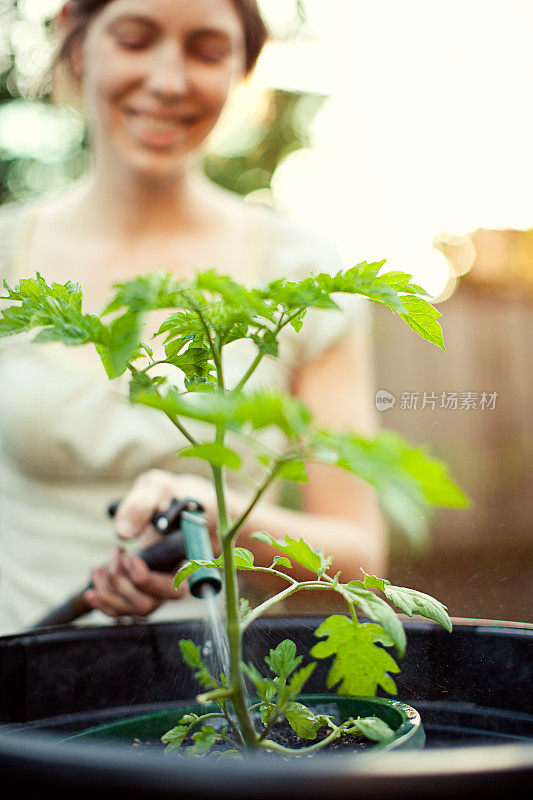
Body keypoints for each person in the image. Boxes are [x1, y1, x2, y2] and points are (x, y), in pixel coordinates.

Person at [0, 0, 385, 634]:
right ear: (76, 42)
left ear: (241, 68)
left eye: (206, 51)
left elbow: (360, 556)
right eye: (135, 38)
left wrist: (227, 522)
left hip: (221, 710)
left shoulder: (302, 272)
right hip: (23, 702)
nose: (170, 81)